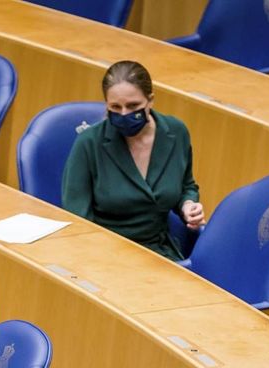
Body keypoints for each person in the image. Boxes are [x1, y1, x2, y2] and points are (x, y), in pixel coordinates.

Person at [61, 60, 204, 260]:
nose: (125, 114)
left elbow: (186, 185)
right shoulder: (89, 143)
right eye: (115, 107)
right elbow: (78, 216)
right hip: (104, 253)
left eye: (133, 106)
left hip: (159, 251)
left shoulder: (176, 132)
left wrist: (188, 205)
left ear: (150, 100)